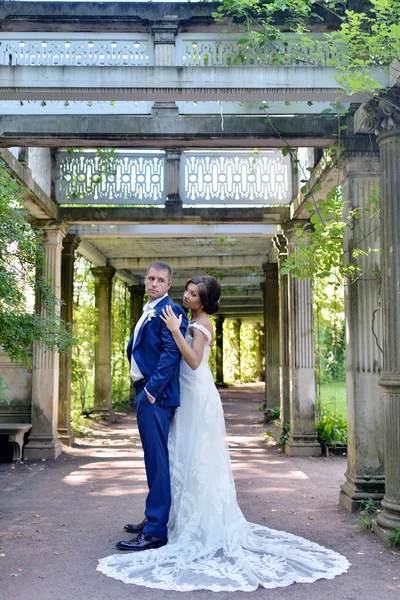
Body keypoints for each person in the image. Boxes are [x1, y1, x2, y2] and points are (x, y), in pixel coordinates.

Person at [98, 276, 350, 591]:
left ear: (203, 302)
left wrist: (176, 332)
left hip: (197, 394)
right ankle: (168, 518)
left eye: (193, 294)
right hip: (185, 394)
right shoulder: (188, 315)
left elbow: (191, 362)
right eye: (187, 291)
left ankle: (185, 523)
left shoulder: (200, 323)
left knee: (196, 456)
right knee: (180, 456)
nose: (186, 296)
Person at [115, 261, 188, 552]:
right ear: (145, 281)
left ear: (169, 284)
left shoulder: (171, 311)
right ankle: (152, 519)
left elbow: (172, 355)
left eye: (160, 279)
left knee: (157, 461)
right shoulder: (149, 310)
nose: (154, 283)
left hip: (155, 397)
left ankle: (156, 530)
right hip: (146, 394)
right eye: (150, 278)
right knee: (152, 459)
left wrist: (150, 391)